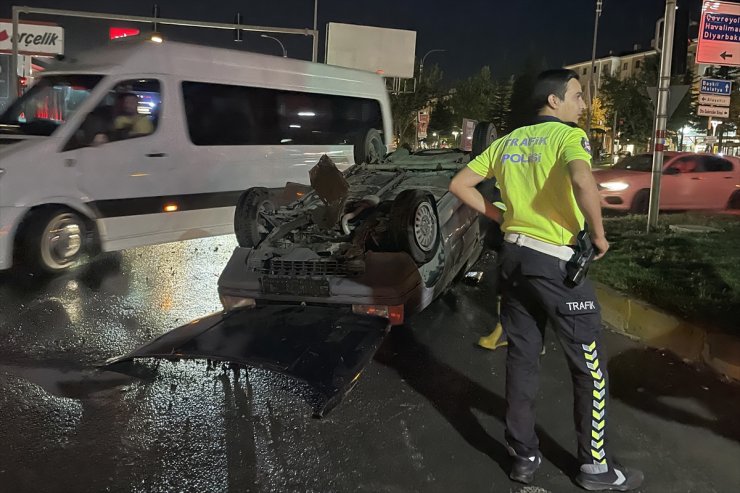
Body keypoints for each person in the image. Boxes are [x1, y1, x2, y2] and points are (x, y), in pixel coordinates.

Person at [449, 69, 643, 491]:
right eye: (576, 95)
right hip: (554, 263)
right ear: (553, 102)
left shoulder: (507, 141)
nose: (582, 103)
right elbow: (581, 179)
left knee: (522, 358)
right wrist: (598, 234)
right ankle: (595, 468)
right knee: (589, 366)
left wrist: (500, 216)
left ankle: (523, 455)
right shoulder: (569, 137)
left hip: (514, 259)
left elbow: (460, 184)